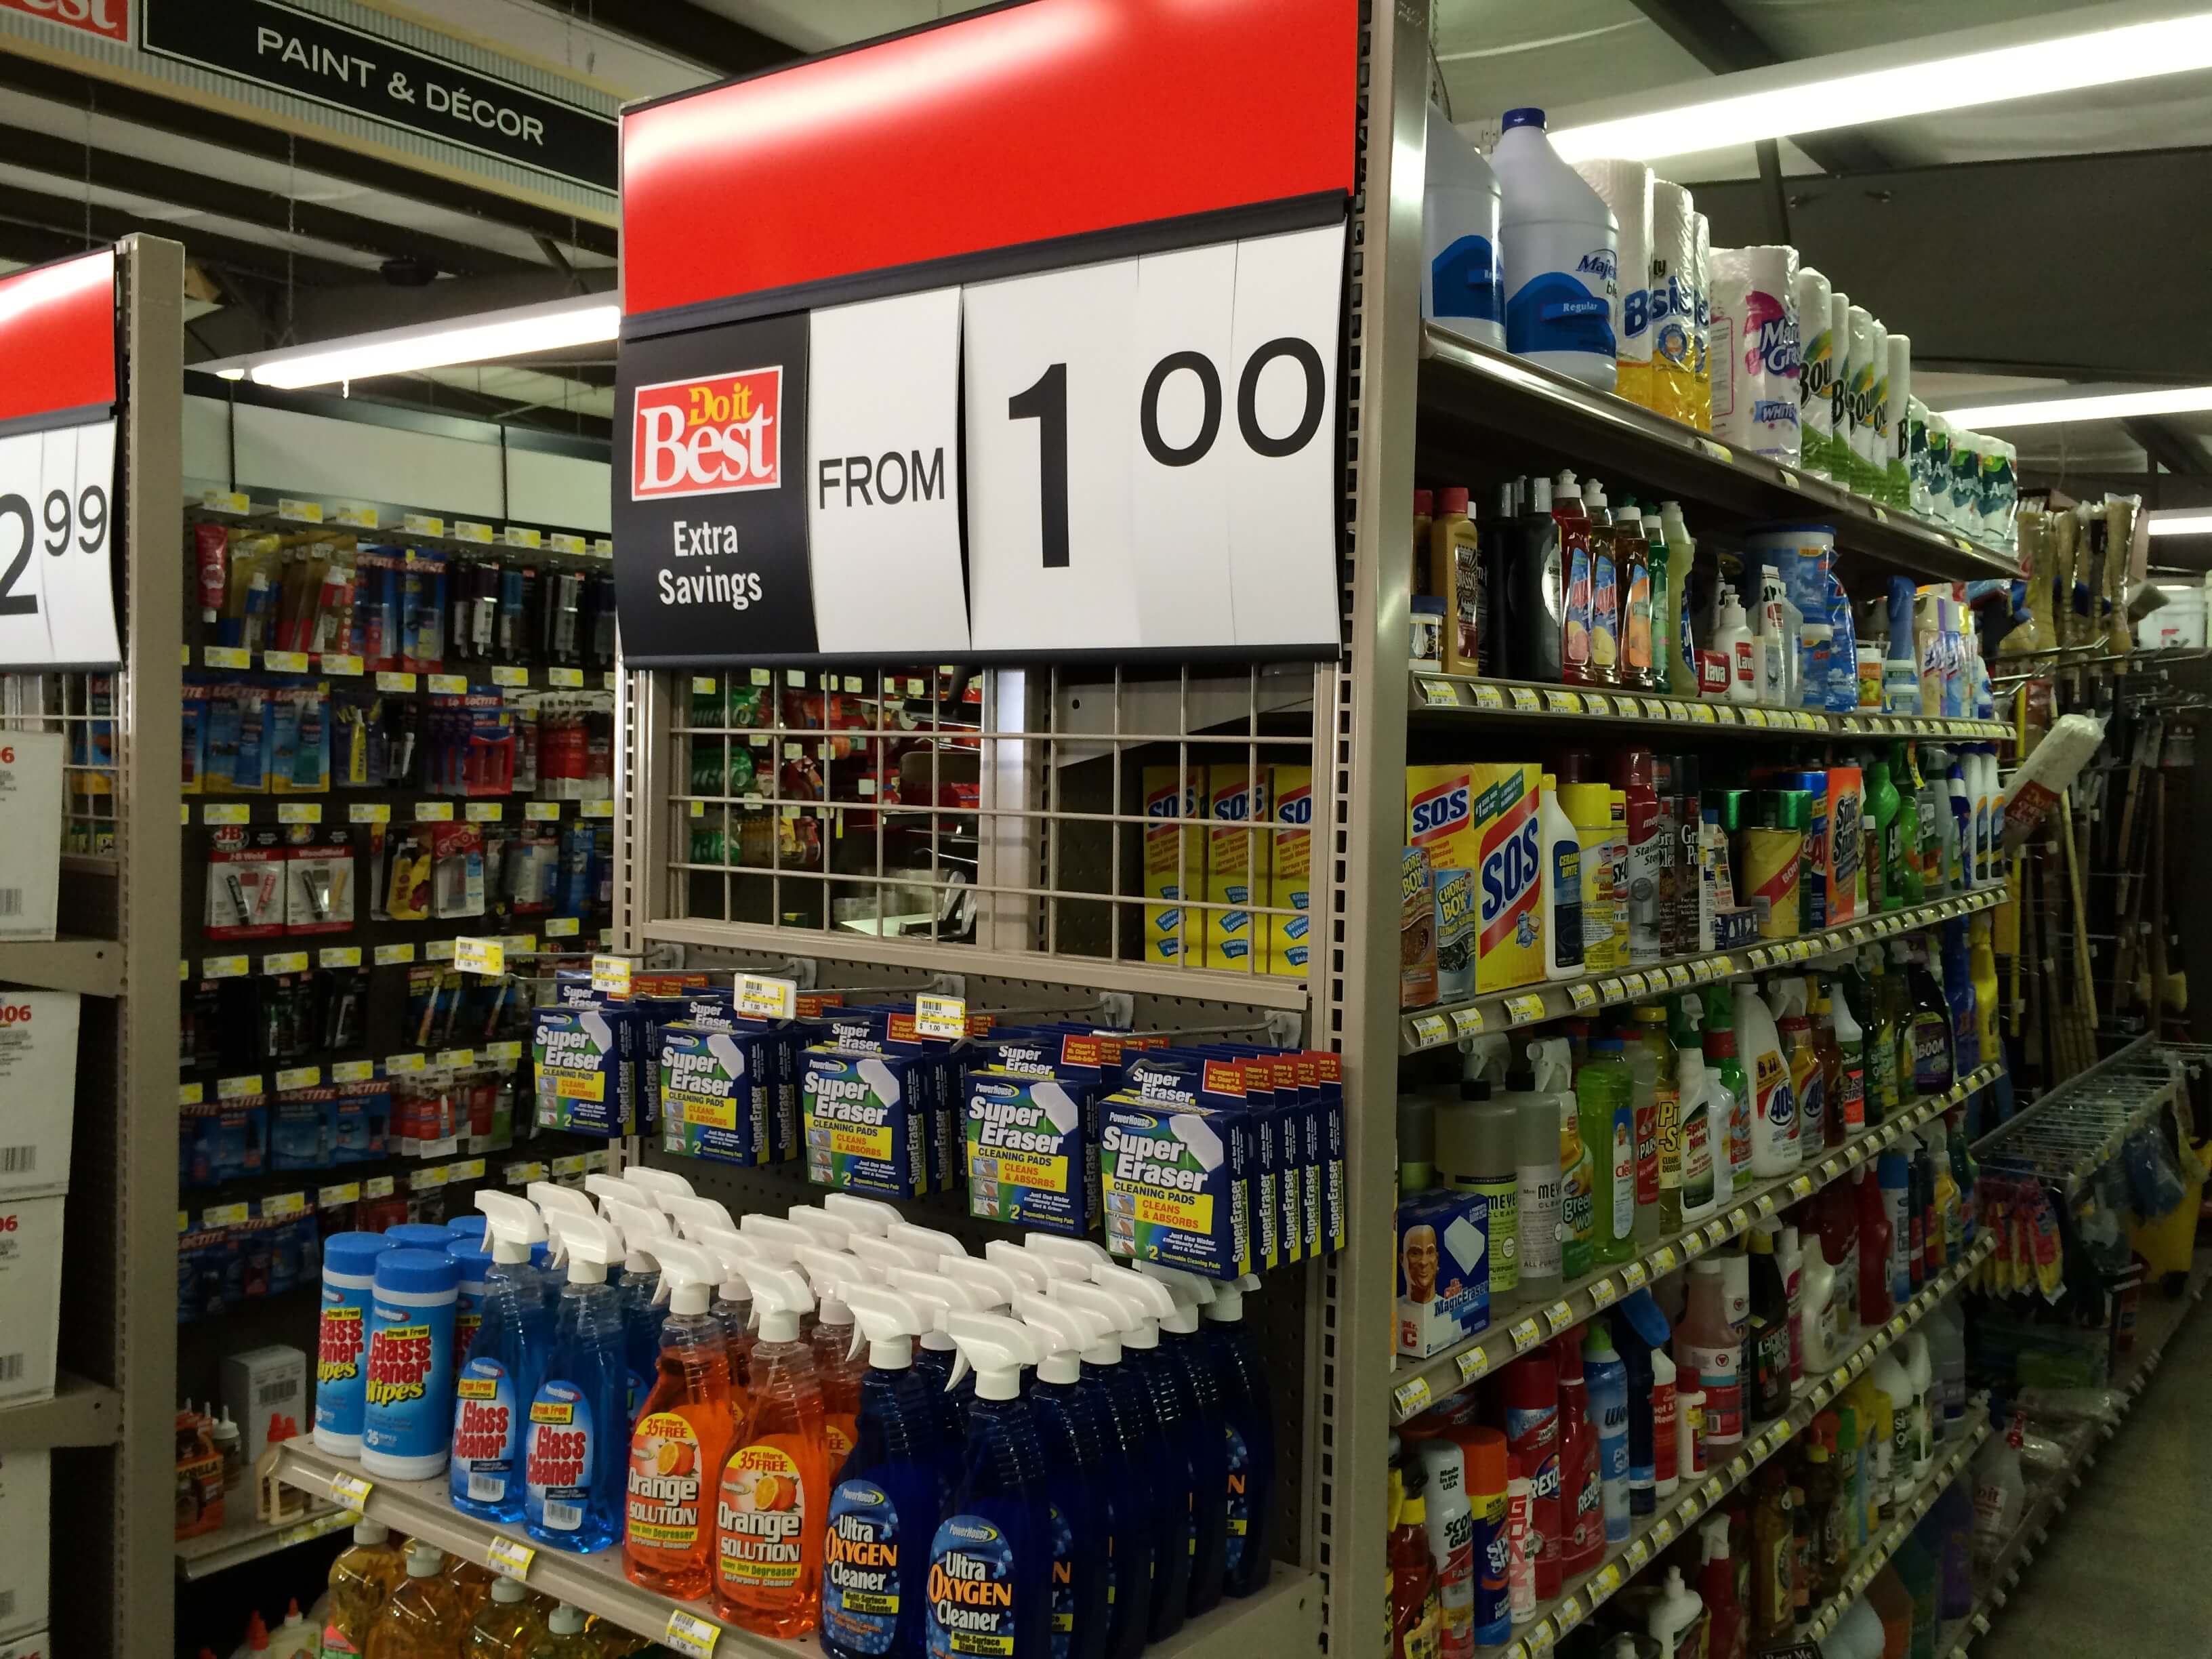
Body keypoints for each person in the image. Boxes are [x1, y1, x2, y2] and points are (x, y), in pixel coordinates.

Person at [1404, 1223, 1439, 1305]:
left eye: (1430, 1252)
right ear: (1402, 1260)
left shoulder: (1450, 1310)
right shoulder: (1394, 1307)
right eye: (1415, 1253)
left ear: (1437, 1259)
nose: (1424, 1262)